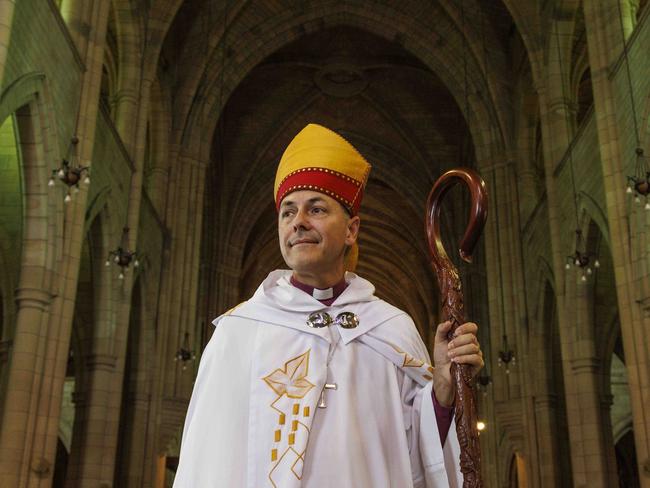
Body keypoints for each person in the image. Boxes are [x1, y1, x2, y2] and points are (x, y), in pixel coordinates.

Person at [173, 123, 484, 487]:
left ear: (351, 230)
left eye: (316, 209)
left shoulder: (390, 329)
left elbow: (416, 455)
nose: (298, 222)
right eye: (287, 212)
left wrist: (444, 389)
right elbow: (206, 462)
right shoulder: (237, 333)